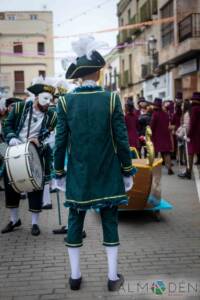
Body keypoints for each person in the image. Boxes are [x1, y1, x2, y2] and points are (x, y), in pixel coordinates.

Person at [54, 36, 136, 291]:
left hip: (78, 173)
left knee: (75, 220)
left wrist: (59, 172)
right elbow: (121, 140)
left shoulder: (65, 102)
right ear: (98, 73)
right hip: (107, 171)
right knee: (109, 220)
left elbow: (60, 142)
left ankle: (75, 277)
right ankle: (112, 278)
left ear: (80, 75)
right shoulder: (111, 100)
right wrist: (127, 169)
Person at [1, 78, 57, 236]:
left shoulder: (52, 116)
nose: (48, 103)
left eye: (50, 100)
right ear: (37, 97)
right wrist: (11, 137)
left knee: (35, 188)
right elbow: (7, 125)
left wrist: (39, 141)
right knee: (11, 185)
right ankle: (14, 220)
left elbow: (51, 136)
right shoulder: (19, 107)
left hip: (35, 154)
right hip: (14, 151)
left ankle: (34, 223)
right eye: (45, 99)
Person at [178, 92, 200, 179]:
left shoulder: (194, 109)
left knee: (190, 153)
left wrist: (189, 135)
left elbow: (193, 123)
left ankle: (188, 172)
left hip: (194, 135)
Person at [150, 98, 174, 175]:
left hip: (157, 137)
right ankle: (169, 168)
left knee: (156, 153)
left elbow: (152, 126)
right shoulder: (166, 114)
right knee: (167, 153)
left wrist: (150, 133)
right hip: (165, 135)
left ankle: (156, 169)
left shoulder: (155, 114)